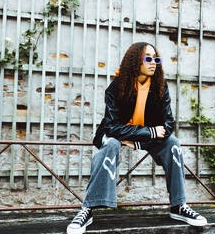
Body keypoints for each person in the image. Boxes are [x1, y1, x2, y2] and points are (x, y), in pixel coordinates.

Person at [66, 42, 207, 234]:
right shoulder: (116, 87)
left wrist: (141, 138)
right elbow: (111, 127)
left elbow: (168, 125)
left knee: (174, 144)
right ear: (134, 61)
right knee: (110, 145)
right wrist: (148, 132)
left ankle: (179, 205)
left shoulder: (160, 87)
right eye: (148, 58)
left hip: (148, 137)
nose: (153, 63)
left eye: (156, 59)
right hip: (124, 135)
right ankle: (87, 209)